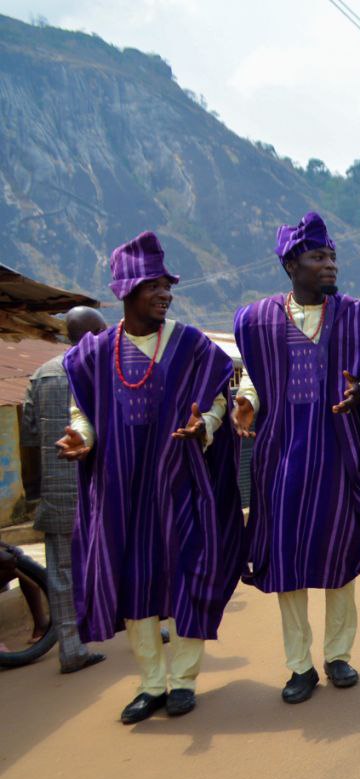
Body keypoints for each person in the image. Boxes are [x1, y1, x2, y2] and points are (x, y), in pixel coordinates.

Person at [57, 232, 243, 723]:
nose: (165, 294)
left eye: (167, 285)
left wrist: (205, 423)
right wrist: (82, 438)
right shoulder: (93, 355)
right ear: (126, 292)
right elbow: (83, 413)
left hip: (182, 485)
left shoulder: (193, 345)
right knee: (135, 584)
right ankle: (151, 684)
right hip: (122, 492)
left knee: (189, 574)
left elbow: (221, 397)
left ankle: (183, 680)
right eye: (153, 286)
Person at [232, 212, 360, 704]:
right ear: (290, 264)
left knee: (339, 559)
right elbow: (254, 380)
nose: (329, 265)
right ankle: (299, 665)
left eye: (332, 256)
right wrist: (246, 402)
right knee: (287, 563)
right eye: (317, 257)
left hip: (340, 456)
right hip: (281, 461)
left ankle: (338, 655)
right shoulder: (256, 321)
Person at [20, 305, 108, 673]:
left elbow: (30, 434)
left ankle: (71, 648)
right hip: (100, 485)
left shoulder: (41, 375)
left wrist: (35, 487)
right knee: (119, 555)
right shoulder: (102, 369)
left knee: (60, 572)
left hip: (58, 490)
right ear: (92, 334)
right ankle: (144, 622)